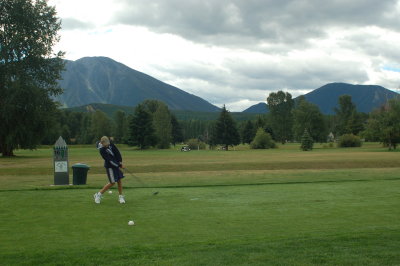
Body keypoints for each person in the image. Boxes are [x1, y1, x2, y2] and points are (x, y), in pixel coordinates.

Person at [94, 136, 126, 204]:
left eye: (108, 143)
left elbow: (117, 152)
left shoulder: (110, 143)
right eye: (106, 144)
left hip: (116, 164)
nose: (108, 145)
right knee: (112, 182)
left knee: (119, 180)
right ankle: (98, 194)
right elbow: (110, 160)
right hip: (110, 167)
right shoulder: (102, 150)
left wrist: (120, 161)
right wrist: (119, 165)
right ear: (102, 143)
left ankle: (121, 196)